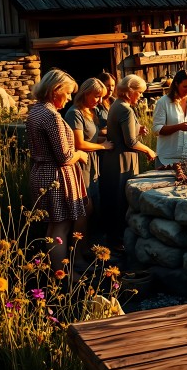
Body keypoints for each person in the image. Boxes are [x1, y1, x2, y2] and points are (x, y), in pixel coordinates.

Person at [26, 69, 89, 271]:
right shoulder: (51, 116)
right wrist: (80, 154)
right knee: (61, 227)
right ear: (55, 90)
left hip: (42, 172)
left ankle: (58, 272)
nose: (69, 98)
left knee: (53, 226)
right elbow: (65, 157)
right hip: (55, 176)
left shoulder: (36, 110)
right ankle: (61, 275)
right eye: (68, 93)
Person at [99, 74, 156, 251]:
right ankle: (118, 240)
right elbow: (130, 142)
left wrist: (137, 129)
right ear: (130, 91)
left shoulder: (117, 105)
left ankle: (114, 238)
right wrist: (148, 150)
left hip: (114, 159)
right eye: (139, 92)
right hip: (122, 161)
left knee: (113, 197)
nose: (141, 96)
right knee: (121, 199)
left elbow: (120, 131)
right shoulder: (125, 109)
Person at [64, 78, 114, 256]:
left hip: (92, 164)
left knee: (91, 209)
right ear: (85, 93)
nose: (99, 101)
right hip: (81, 164)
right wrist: (103, 146)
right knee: (84, 208)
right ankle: (77, 252)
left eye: (101, 97)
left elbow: (91, 137)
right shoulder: (74, 113)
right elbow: (79, 143)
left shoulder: (90, 112)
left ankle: (87, 248)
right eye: (96, 96)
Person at [152, 69, 187, 166]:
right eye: (185, 86)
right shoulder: (163, 102)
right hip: (167, 159)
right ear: (176, 84)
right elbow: (156, 129)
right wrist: (178, 127)